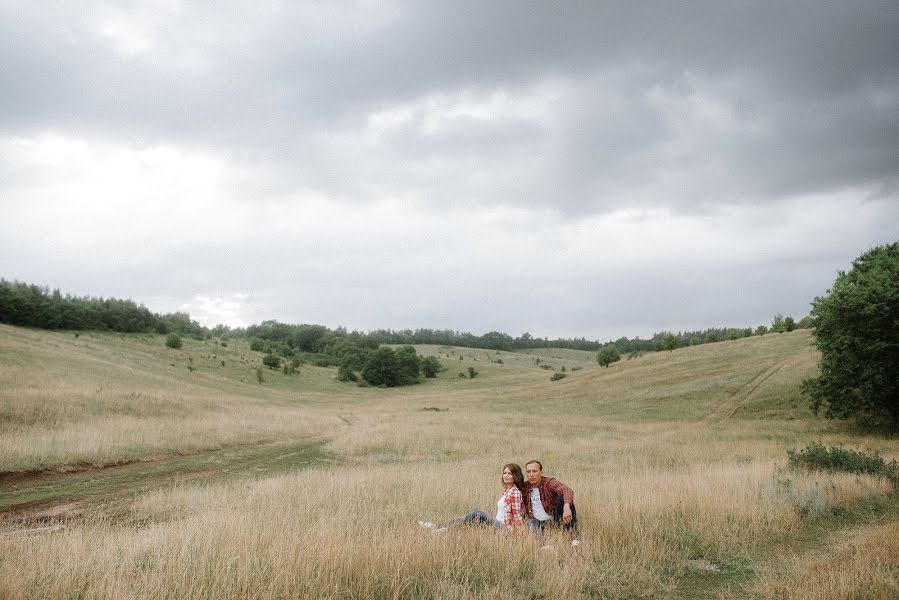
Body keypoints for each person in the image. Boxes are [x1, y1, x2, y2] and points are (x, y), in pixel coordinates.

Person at [419, 463, 525, 532]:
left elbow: (517, 515)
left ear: (515, 476)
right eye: (504, 473)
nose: (506, 475)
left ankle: (439, 528)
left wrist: (518, 534)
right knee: (472, 521)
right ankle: (441, 528)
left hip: (505, 528)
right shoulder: (507, 491)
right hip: (498, 523)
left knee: (478, 513)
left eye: (510, 474)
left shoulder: (515, 493)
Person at [523, 460, 580, 547]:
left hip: (555, 519)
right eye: (528, 471)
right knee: (531, 521)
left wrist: (566, 506)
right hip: (537, 522)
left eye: (534, 471)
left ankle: (574, 537)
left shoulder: (548, 482)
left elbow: (566, 490)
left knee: (565, 499)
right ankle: (543, 545)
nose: (531, 475)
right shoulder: (524, 487)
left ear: (541, 472)